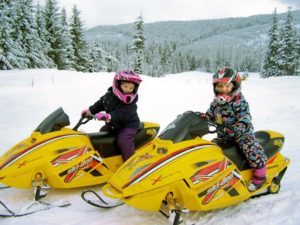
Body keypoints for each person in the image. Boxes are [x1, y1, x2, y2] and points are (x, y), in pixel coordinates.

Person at [201, 67, 267, 192]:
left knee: (250, 149)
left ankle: (260, 176)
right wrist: (203, 117)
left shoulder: (239, 102)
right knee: (211, 150)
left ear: (235, 86)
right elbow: (210, 114)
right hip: (224, 136)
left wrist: (239, 126)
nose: (223, 89)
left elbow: (245, 117)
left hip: (241, 134)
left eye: (227, 86)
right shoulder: (215, 103)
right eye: (220, 86)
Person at [82, 69, 142, 161]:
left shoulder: (131, 104)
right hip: (114, 125)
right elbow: (101, 103)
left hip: (128, 126)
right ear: (117, 84)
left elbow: (121, 113)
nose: (128, 90)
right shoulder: (109, 95)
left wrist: (108, 116)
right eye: (125, 86)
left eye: (131, 88)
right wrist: (90, 111)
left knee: (124, 140)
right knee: (102, 133)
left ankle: (131, 162)